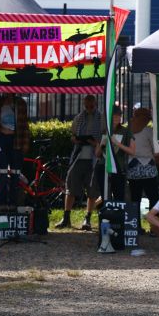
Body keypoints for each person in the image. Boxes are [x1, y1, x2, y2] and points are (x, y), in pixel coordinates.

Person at [58, 95, 103, 230]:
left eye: (91, 104)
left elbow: (104, 138)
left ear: (95, 103)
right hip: (78, 156)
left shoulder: (101, 118)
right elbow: (72, 135)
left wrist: (95, 143)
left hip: (94, 157)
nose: (88, 107)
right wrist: (76, 139)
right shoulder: (78, 118)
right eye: (86, 104)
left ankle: (87, 218)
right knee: (71, 186)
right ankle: (66, 217)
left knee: (92, 189)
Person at [0, 94, 31, 208]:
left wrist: (25, 144)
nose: (9, 93)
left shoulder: (20, 103)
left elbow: (25, 125)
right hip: (1, 140)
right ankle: (1, 204)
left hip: (16, 141)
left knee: (15, 174)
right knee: (1, 173)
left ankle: (13, 204)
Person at [126, 107, 159, 228]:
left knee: (135, 199)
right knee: (153, 198)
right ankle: (154, 227)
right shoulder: (148, 131)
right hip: (148, 169)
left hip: (132, 169)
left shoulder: (127, 130)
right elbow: (156, 152)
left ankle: (135, 227)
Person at [106, 106, 134, 202]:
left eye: (119, 115)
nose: (116, 118)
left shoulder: (125, 131)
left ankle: (118, 215)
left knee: (119, 196)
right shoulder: (105, 129)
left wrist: (117, 144)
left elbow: (132, 151)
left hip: (118, 167)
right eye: (114, 116)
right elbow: (97, 153)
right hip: (103, 166)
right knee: (104, 194)